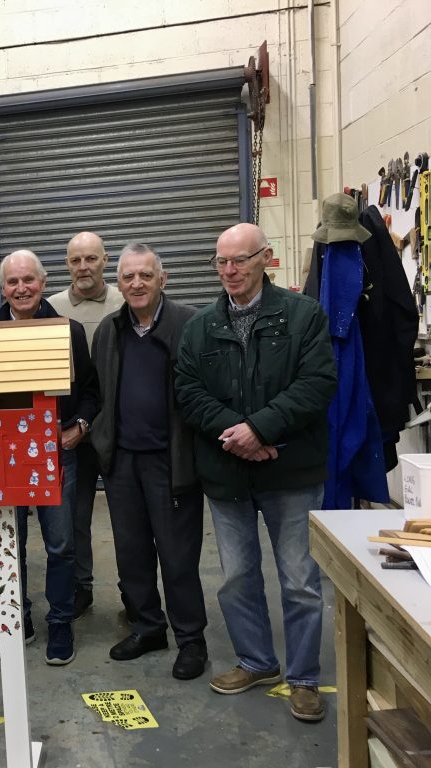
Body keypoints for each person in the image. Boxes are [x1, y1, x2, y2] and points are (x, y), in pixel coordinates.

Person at [174, 223, 336, 722]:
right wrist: (238, 434)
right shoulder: (201, 325)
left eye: (240, 260)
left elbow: (317, 383)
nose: (229, 271)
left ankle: (304, 677)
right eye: (221, 262)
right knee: (238, 576)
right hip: (228, 474)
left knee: (300, 579)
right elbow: (187, 390)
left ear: (265, 257)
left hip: (291, 472)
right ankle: (256, 661)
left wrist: (262, 430)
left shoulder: (303, 315)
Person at [89, 243, 207, 680]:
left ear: (163, 279)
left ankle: (192, 639)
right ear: (118, 283)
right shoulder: (109, 329)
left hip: (171, 462)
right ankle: (148, 627)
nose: (135, 284)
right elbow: (99, 392)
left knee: (178, 557)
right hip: (122, 464)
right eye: (127, 277)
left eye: (144, 275)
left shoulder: (189, 324)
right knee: (132, 554)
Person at [0, 249, 97, 666]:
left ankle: (61, 621)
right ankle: (16, 620)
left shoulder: (68, 331)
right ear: (3, 289)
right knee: (8, 542)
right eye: (13, 282)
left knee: (61, 542)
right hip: (3, 457)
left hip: (56, 453)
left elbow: (90, 390)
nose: (21, 288)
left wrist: (79, 426)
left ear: (43, 282)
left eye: (28, 280)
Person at [48, 231, 124, 617]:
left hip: (119, 429)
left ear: (105, 261)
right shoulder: (51, 308)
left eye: (91, 259)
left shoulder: (125, 301)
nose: (83, 267)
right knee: (75, 517)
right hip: (73, 433)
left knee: (129, 517)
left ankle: (133, 590)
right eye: (76, 260)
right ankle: (81, 587)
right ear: (66, 265)